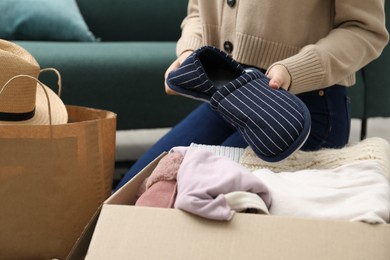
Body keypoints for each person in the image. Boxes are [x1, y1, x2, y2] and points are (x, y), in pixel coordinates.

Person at [116, 0, 388, 189]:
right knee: (134, 187)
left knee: (184, 197)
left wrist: (293, 70)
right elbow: (197, 11)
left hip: (302, 110)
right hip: (231, 94)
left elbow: (365, 29)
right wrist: (192, 53)